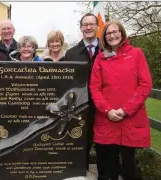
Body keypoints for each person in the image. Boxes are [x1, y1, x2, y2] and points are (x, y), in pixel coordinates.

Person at [90, 20, 152, 180]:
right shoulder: (100, 58)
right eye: (108, 33)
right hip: (107, 119)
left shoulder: (136, 53)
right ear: (104, 37)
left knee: (129, 166)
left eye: (115, 31)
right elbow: (94, 87)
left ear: (122, 33)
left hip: (130, 119)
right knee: (107, 166)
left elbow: (145, 84)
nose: (112, 35)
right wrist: (107, 110)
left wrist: (126, 109)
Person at [63, 13, 100, 170]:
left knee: (103, 142)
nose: (89, 27)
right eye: (85, 24)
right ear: (81, 28)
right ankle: (80, 171)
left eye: (92, 24)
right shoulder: (71, 53)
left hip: (103, 106)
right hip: (80, 107)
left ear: (97, 27)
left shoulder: (107, 50)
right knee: (80, 140)